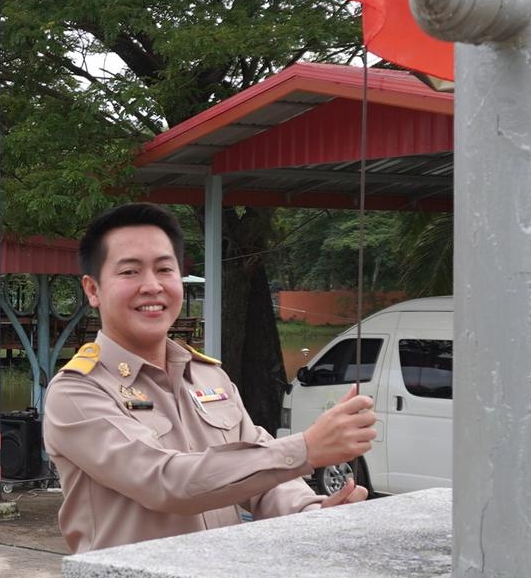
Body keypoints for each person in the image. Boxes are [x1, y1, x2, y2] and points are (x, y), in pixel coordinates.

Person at [42, 203, 376, 553]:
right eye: (130, 272)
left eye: (164, 269)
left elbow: (260, 479)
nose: (152, 286)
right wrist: (306, 449)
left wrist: (313, 511)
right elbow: (164, 481)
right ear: (93, 289)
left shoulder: (207, 376)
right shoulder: (78, 391)